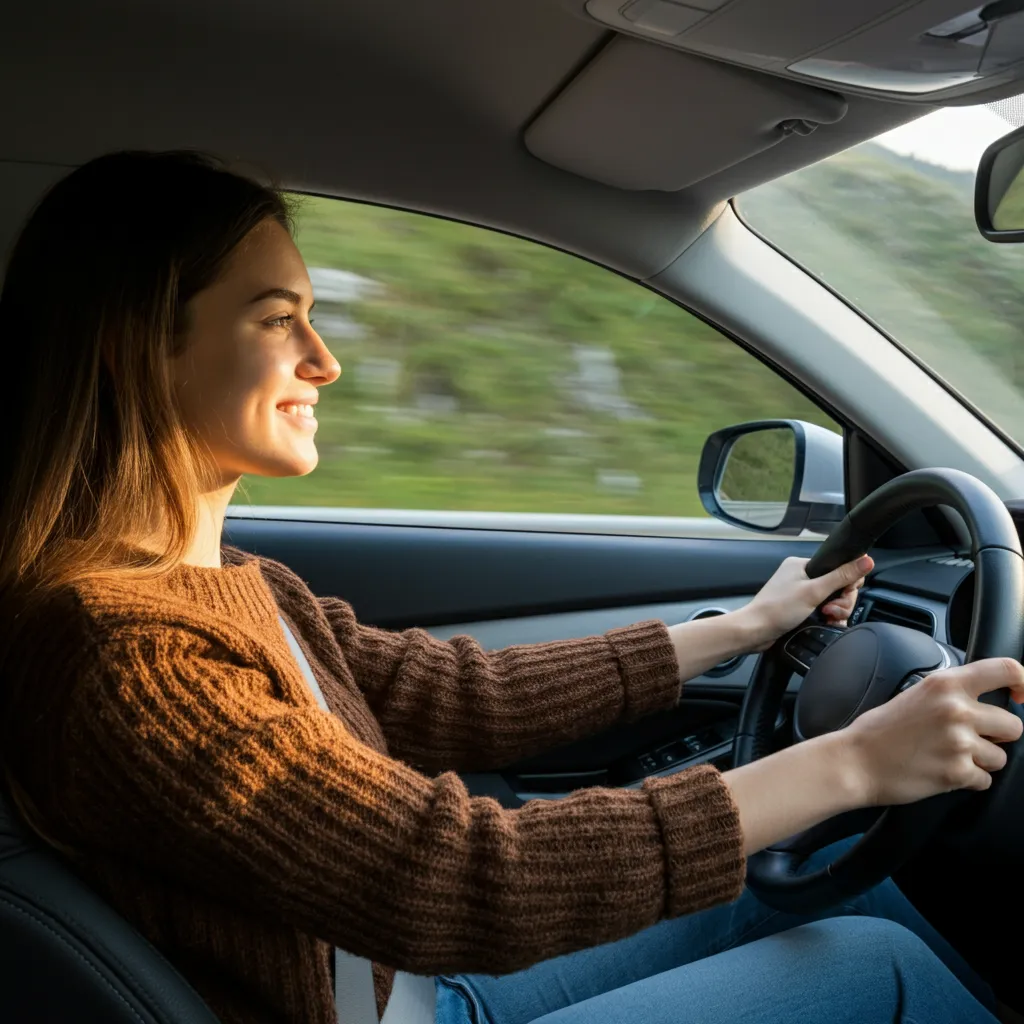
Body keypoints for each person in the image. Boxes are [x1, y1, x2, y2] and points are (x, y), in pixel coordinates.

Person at [0, 151, 1020, 1024]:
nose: (327, 361)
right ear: (139, 346)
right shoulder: (128, 659)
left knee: (848, 887)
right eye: (279, 320)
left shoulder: (223, 582)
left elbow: (453, 693)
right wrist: (851, 765)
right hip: (398, 1004)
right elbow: (449, 877)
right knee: (869, 967)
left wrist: (740, 630)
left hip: (407, 988)